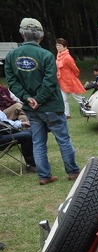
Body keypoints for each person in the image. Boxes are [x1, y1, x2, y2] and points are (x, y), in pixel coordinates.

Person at [4, 17, 81, 185]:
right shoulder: (46, 55)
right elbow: (50, 81)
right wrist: (37, 99)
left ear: (21, 34)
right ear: (41, 36)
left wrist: (27, 98)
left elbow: (12, 82)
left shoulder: (11, 56)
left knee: (38, 142)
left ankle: (44, 176)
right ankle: (73, 172)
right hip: (51, 106)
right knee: (63, 140)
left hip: (31, 109)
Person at [55, 38, 86, 118]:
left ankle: (87, 109)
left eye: (60, 45)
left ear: (65, 47)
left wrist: (75, 76)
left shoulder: (67, 57)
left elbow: (75, 68)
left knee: (78, 98)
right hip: (62, 80)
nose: (58, 47)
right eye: (57, 45)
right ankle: (66, 114)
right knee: (64, 99)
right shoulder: (58, 56)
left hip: (70, 80)